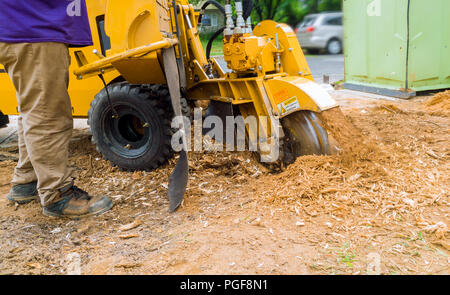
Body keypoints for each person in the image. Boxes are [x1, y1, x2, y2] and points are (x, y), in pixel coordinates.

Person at [0, 0, 113, 218]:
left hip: (22, 24)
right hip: (34, 25)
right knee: (47, 115)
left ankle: (27, 181)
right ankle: (57, 195)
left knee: (34, 108)